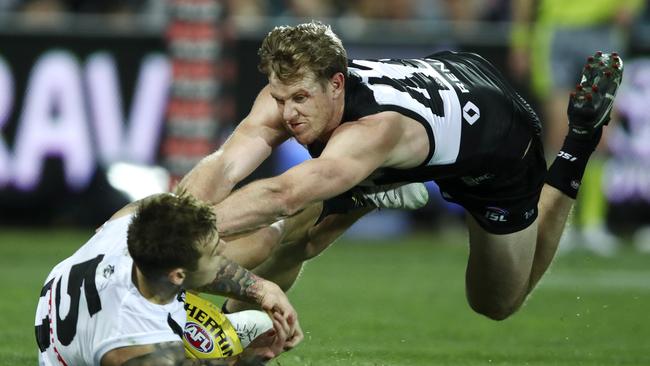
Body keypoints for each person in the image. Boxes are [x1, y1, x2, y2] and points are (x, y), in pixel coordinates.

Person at [182, 21, 623, 321]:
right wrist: (173, 213)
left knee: (496, 302)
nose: (288, 112)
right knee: (297, 234)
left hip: (498, 139)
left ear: (335, 84)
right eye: (281, 100)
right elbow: (224, 164)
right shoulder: (297, 88)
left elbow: (282, 194)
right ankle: (231, 348)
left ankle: (580, 141)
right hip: (442, 85)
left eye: (298, 98)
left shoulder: (371, 131)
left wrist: (171, 237)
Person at [34, 191, 302, 365]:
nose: (223, 249)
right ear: (177, 275)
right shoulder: (131, 340)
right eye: (213, 252)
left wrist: (261, 289)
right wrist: (246, 360)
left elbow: (145, 208)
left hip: (87, 312)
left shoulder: (131, 228)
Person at [509, 0, 643, 255]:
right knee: (559, 133)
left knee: (601, 131)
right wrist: (519, 40)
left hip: (603, 29)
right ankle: (556, 223)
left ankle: (593, 223)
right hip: (557, 30)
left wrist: (631, 7)